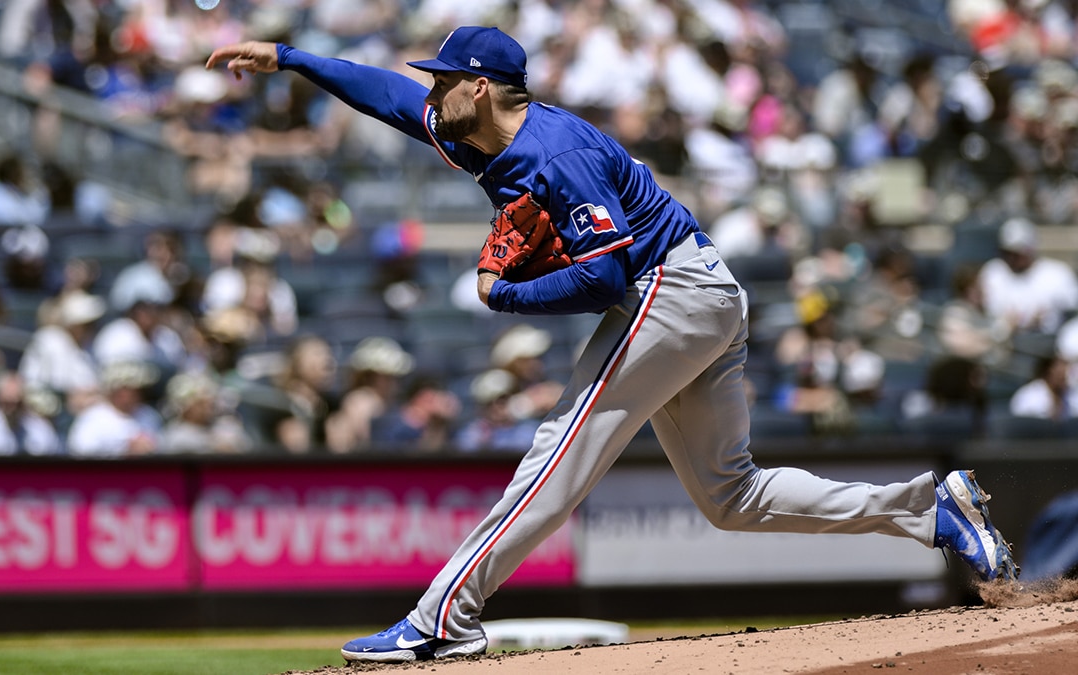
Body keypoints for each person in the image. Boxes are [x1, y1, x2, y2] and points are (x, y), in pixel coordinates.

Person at [207, 27, 1019, 664]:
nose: (433, 89)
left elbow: (607, 275)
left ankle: (439, 619)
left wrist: (506, 296)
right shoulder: (475, 128)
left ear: (480, 87)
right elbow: (386, 94)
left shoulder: (552, 154)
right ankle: (928, 510)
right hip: (699, 293)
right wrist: (288, 58)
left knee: (559, 452)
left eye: (446, 79)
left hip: (671, 288)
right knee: (730, 497)